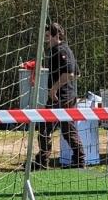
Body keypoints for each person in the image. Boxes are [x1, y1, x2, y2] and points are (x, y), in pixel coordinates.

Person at [35, 22, 85, 169]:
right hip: (62, 96)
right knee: (55, 128)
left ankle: (78, 160)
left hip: (61, 97)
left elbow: (70, 74)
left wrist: (55, 88)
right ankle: (43, 160)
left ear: (57, 35)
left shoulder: (61, 50)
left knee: (48, 128)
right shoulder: (59, 50)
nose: (46, 40)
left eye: (48, 36)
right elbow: (78, 73)